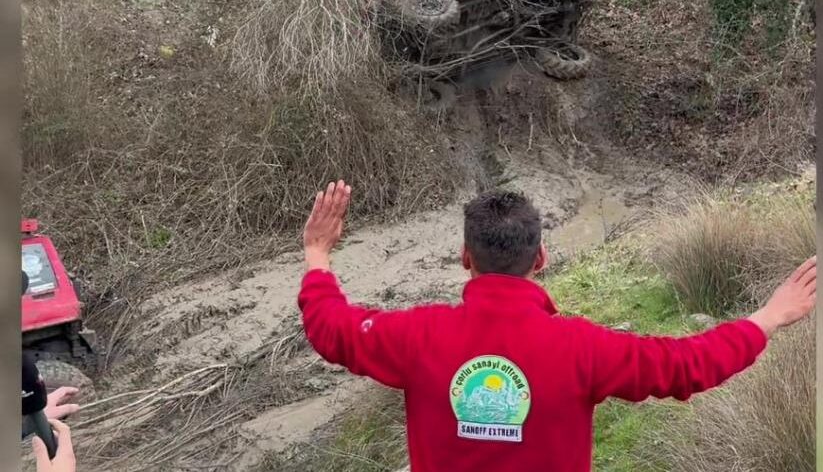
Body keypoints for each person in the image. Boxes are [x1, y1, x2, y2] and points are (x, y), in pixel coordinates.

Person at [299, 180, 816, 472]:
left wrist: (318, 253)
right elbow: (684, 365)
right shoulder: (580, 348)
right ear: (541, 257)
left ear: (465, 257)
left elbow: (332, 328)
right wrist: (767, 318)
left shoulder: (417, 337)